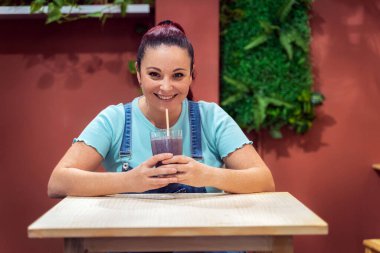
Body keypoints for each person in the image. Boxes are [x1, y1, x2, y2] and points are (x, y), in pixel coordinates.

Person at [47, 20, 275, 198]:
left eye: (178, 75)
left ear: (191, 75)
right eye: (154, 74)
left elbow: (264, 180)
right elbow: (58, 183)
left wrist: (206, 174)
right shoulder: (114, 120)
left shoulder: (211, 117)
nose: (166, 87)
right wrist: (129, 181)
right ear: (138, 73)